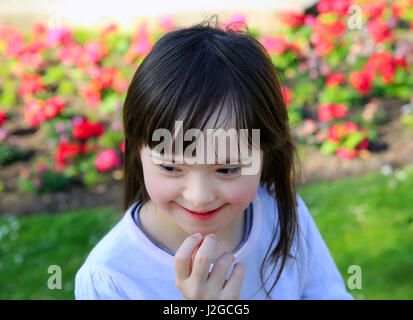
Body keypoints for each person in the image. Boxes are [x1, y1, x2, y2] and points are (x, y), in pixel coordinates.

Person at [74, 16, 354, 300]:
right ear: (137, 152)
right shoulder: (110, 279)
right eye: (171, 167)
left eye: (227, 169)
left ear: (265, 154)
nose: (199, 197)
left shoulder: (281, 215)